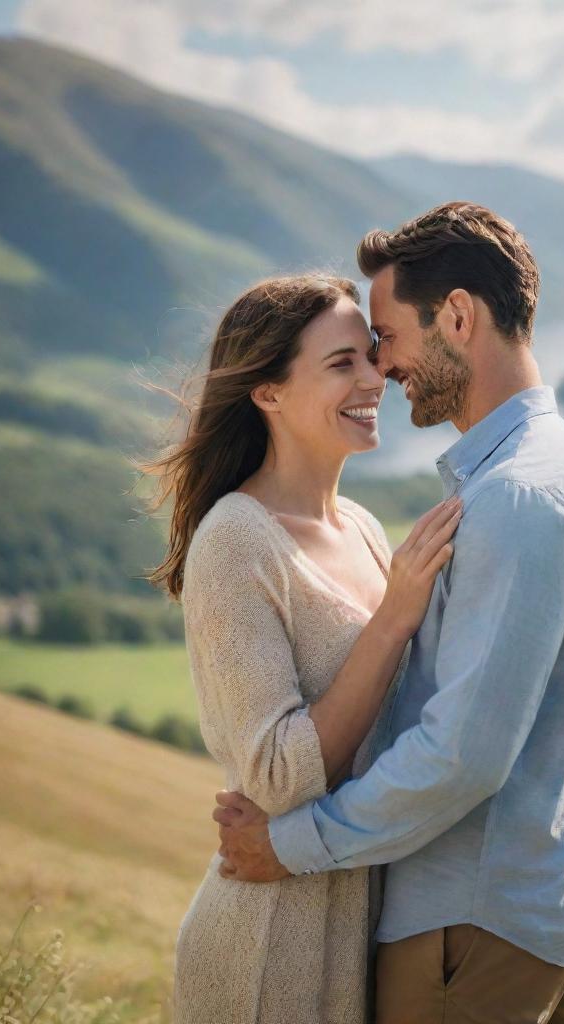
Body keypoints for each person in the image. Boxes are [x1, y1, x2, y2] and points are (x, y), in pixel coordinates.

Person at [216, 203, 564, 1024]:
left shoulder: (518, 498)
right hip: (522, 915)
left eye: (388, 335)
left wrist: (286, 846)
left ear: (456, 316)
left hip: (471, 925)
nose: (382, 365)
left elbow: (464, 756)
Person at [144, 273, 462, 1024]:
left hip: (357, 934)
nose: (373, 378)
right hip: (264, 948)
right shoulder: (235, 541)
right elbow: (281, 775)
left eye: (370, 355)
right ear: (269, 394)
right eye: (340, 363)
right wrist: (393, 619)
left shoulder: (360, 527)